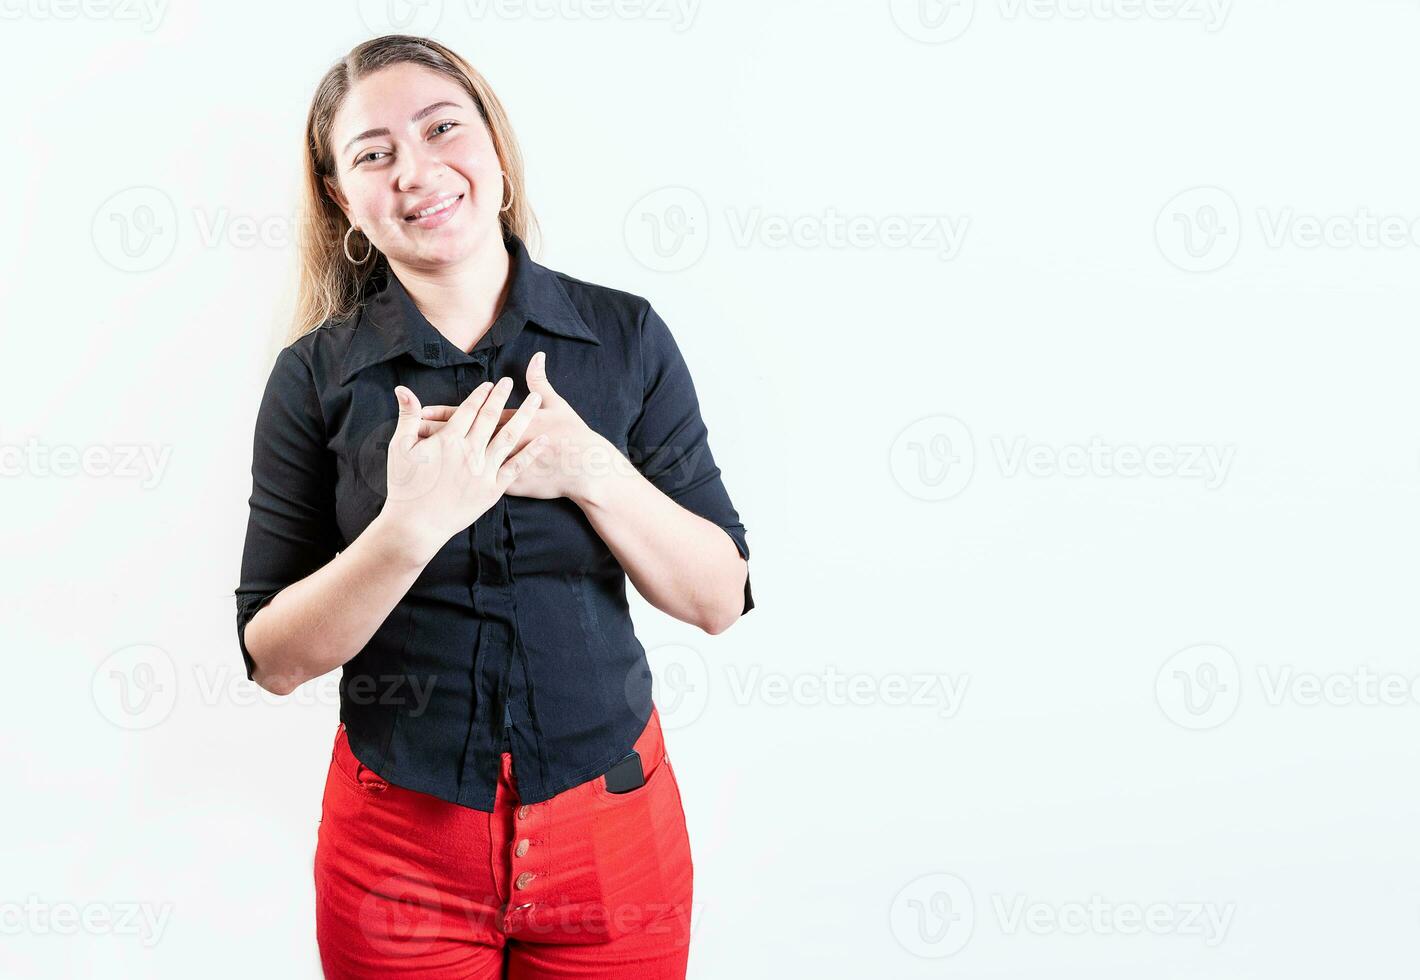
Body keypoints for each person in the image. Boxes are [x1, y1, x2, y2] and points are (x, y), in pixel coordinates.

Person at [233, 34, 754, 979]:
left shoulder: (625, 337)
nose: (416, 170)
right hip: (396, 853)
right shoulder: (313, 379)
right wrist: (408, 528)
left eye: (442, 129)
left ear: (496, 153)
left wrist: (595, 470)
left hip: (613, 833)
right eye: (374, 153)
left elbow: (720, 598)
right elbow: (272, 658)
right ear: (345, 201)